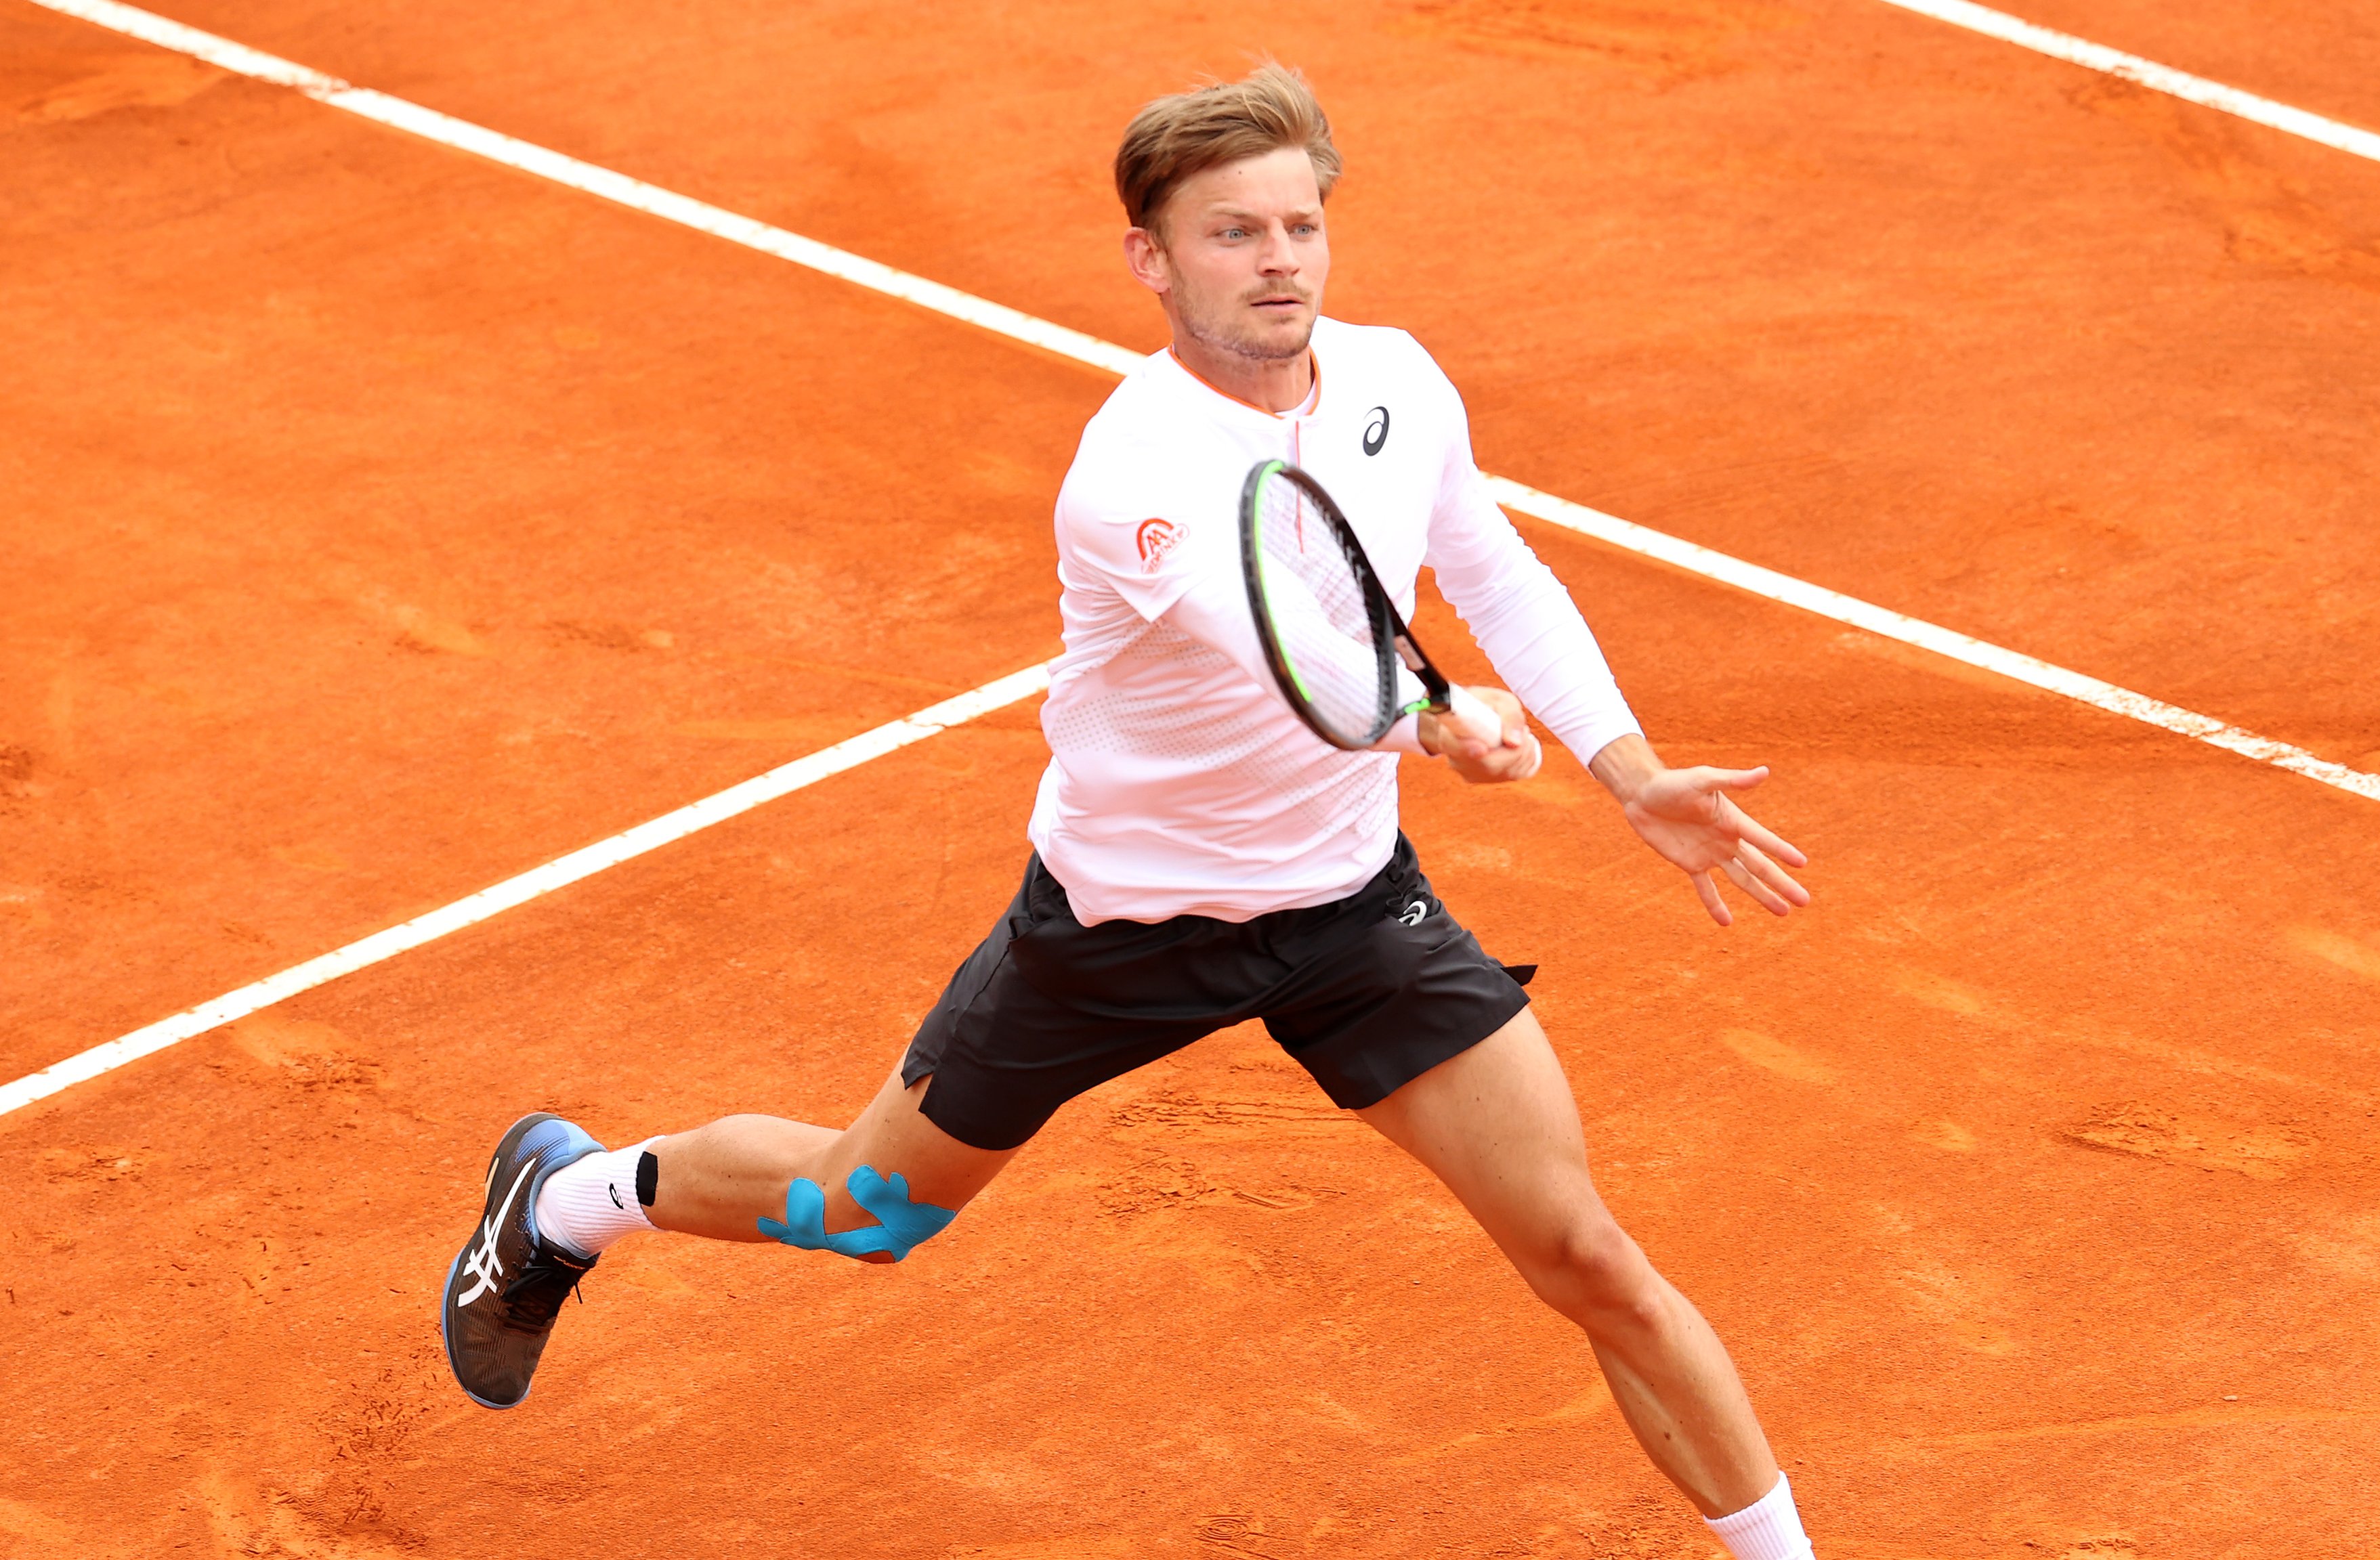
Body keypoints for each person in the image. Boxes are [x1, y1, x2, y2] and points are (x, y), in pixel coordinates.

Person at [439, 63, 1816, 1560]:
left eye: (1299, 225)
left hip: (1351, 911)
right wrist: (1438, 718)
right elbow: (1292, 654)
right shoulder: (1134, 473)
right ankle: (566, 1201)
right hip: (1117, 928)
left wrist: (1623, 770)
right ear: (1148, 260)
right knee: (866, 1211)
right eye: (1231, 234)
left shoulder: (1398, 381)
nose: (1277, 258)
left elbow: (1487, 570)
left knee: (1589, 1256)